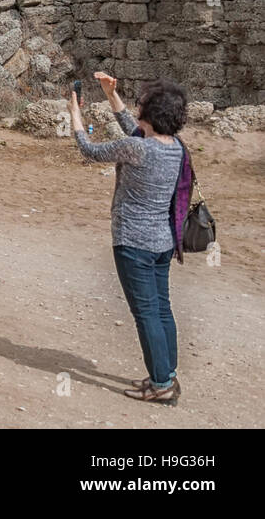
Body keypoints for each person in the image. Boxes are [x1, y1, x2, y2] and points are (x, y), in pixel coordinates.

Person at [71, 71, 188, 406]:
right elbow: (134, 130)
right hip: (162, 243)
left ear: (150, 114)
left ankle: (162, 384)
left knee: (147, 313)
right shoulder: (175, 147)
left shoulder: (137, 148)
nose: (137, 109)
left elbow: (88, 150)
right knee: (162, 309)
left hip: (133, 243)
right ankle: (166, 373)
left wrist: (74, 114)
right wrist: (111, 95)